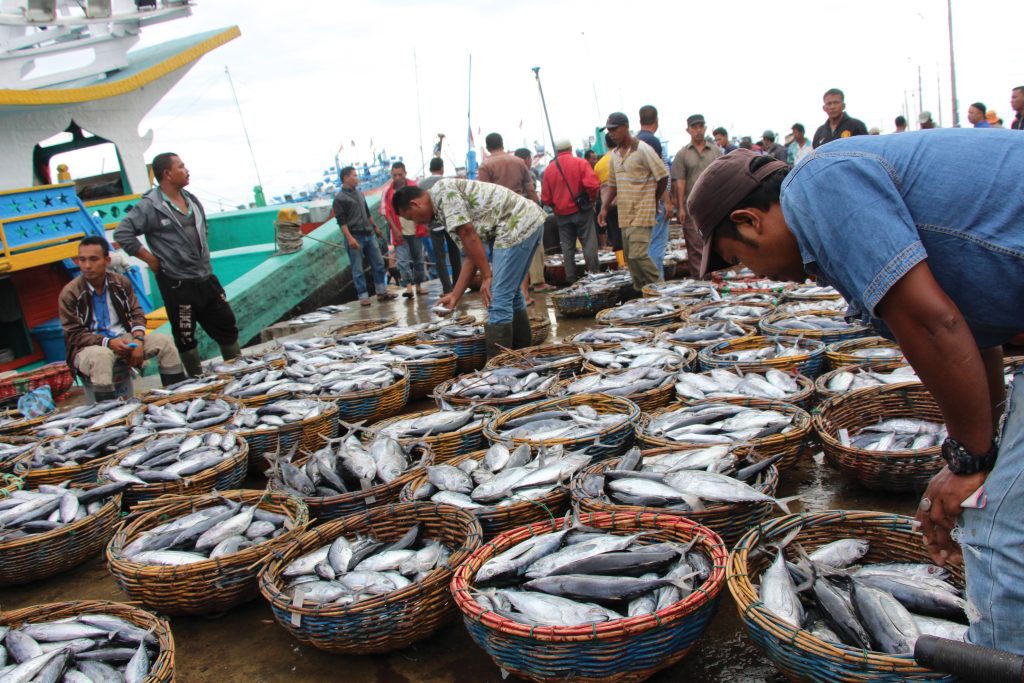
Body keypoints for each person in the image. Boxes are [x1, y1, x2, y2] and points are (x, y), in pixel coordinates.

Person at [686, 132, 1024, 654]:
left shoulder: (816, 186)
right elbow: (975, 335)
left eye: (738, 261)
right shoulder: (832, 191)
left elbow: (934, 324)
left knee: (1000, 536)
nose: (757, 277)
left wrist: (971, 459)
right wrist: (985, 451)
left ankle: (1004, 659)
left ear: (748, 221)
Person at [114, 152, 239, 377]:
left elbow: (202, 229)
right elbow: (123, 233)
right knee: (185, 334)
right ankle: (196, 380)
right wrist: (150, 259)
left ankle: (240, 371)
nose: (186, 170)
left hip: (205, 277)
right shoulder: (150, 206)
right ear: (167, 174)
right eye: (181, 166)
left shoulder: (191, 199)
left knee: (226, 324)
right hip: (177, 284)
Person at [392, 179, 547, 357]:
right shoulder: (442, 206)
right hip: (528, 219)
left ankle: (498, 366)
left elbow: (468, 234)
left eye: (411, 217)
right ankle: (522, 354)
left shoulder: (443, 195)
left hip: (516, 225)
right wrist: (454, 296)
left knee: (498, 299)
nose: (417, 222)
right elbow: (470, 254)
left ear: (415, 204)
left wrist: (488, 276)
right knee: (510, 294)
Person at [59, 237, 186, 401]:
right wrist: (109, 342)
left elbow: (137, 314)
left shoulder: (120, 282)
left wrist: (139, 340)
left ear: (107, 260)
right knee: (101, 356)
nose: (87, 265)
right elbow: (74, 334)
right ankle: (108, 416)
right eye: (82, 260)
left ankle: (178, 398)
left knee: (165, 342)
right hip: (89, 348)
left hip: (123, 339)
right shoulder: (70, 293)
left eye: (94, 259)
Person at [597, 112, 668, 290]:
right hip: (625, 214)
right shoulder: (614, 155)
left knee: (638, 255)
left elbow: (662, 176)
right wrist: (604, 208)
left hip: (642, 211)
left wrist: (655, 199)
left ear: (626, 127)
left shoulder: (643, 149)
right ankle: (643, 294)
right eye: (609, 130)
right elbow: (612, 185)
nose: (611, 133)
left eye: (614, 129)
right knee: (630, 258)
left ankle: (661, 289)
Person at [333, 166, 395, 306]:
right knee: (358, 268)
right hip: (355, 236)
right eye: (354, 175)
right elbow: (341, 222)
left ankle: (381, 291)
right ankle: (363, 296)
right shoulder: (340, 199)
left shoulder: (360, 194)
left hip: (368, 234)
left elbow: (367, 214)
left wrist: (375, 227)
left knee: (378, 263)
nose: (357, 178)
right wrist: (350, 239)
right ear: (346, 178)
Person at [541, 138, 601, 283]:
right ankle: (594, 275)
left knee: (567, 248)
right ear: (571, 148)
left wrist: (556, 206)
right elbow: (593, 186)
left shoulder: (549, 169)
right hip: (582, 210)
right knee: (588, 243)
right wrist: (592, 200)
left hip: (561, 214)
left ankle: (571, 278)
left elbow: (545, 197)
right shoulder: (580, 163)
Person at [671, 114, 721, 279]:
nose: (698, 130)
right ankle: (699, 281)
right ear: (688, 130)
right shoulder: (682, 154)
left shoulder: (715, 151)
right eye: (694, 127)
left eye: (701, 126)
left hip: (713, 205)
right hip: (691, 207)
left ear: (705, 128)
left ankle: (716, 278)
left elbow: (723, 175)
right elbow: (680, 182)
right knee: (694, 246)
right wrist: (680, 207)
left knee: (715, 243)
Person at [380, 162, 428, 298]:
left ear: (405, 174)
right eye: (394, 175)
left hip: (416, 230)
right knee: (402, 261)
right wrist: (394, 229)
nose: (397, 177)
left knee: (418, 259)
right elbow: (386, 212)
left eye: (400, 174)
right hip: (399, 232)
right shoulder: (388, 192)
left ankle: (419, 285)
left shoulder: (414, 187)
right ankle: (408, 286)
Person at [636, 105, 673, 278]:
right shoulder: (652, 142)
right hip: (654, 203)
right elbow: (660, 174)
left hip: (641, 204)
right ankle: (656, 286)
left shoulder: (635, 142)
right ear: (656, 120)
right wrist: (666, 201)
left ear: (640, 120)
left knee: (647, 245)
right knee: (657, 246)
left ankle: (649, 283)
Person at [418, 158, 462, 295]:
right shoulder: (446, 181)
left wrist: (425, 224)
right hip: (449, 223)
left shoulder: (422, 184)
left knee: (439, 258)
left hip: (433, 225)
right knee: (455, 255)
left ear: (430, 168)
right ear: (442, 168)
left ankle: (447, 288)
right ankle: (457, 286)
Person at [594, 134, 623, 266]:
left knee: (615, 235)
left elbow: (597, 186)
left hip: (609, 204)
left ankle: (622, 263)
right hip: (626, 201)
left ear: (606, 144)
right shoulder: (623, 156)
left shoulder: (599, 165)